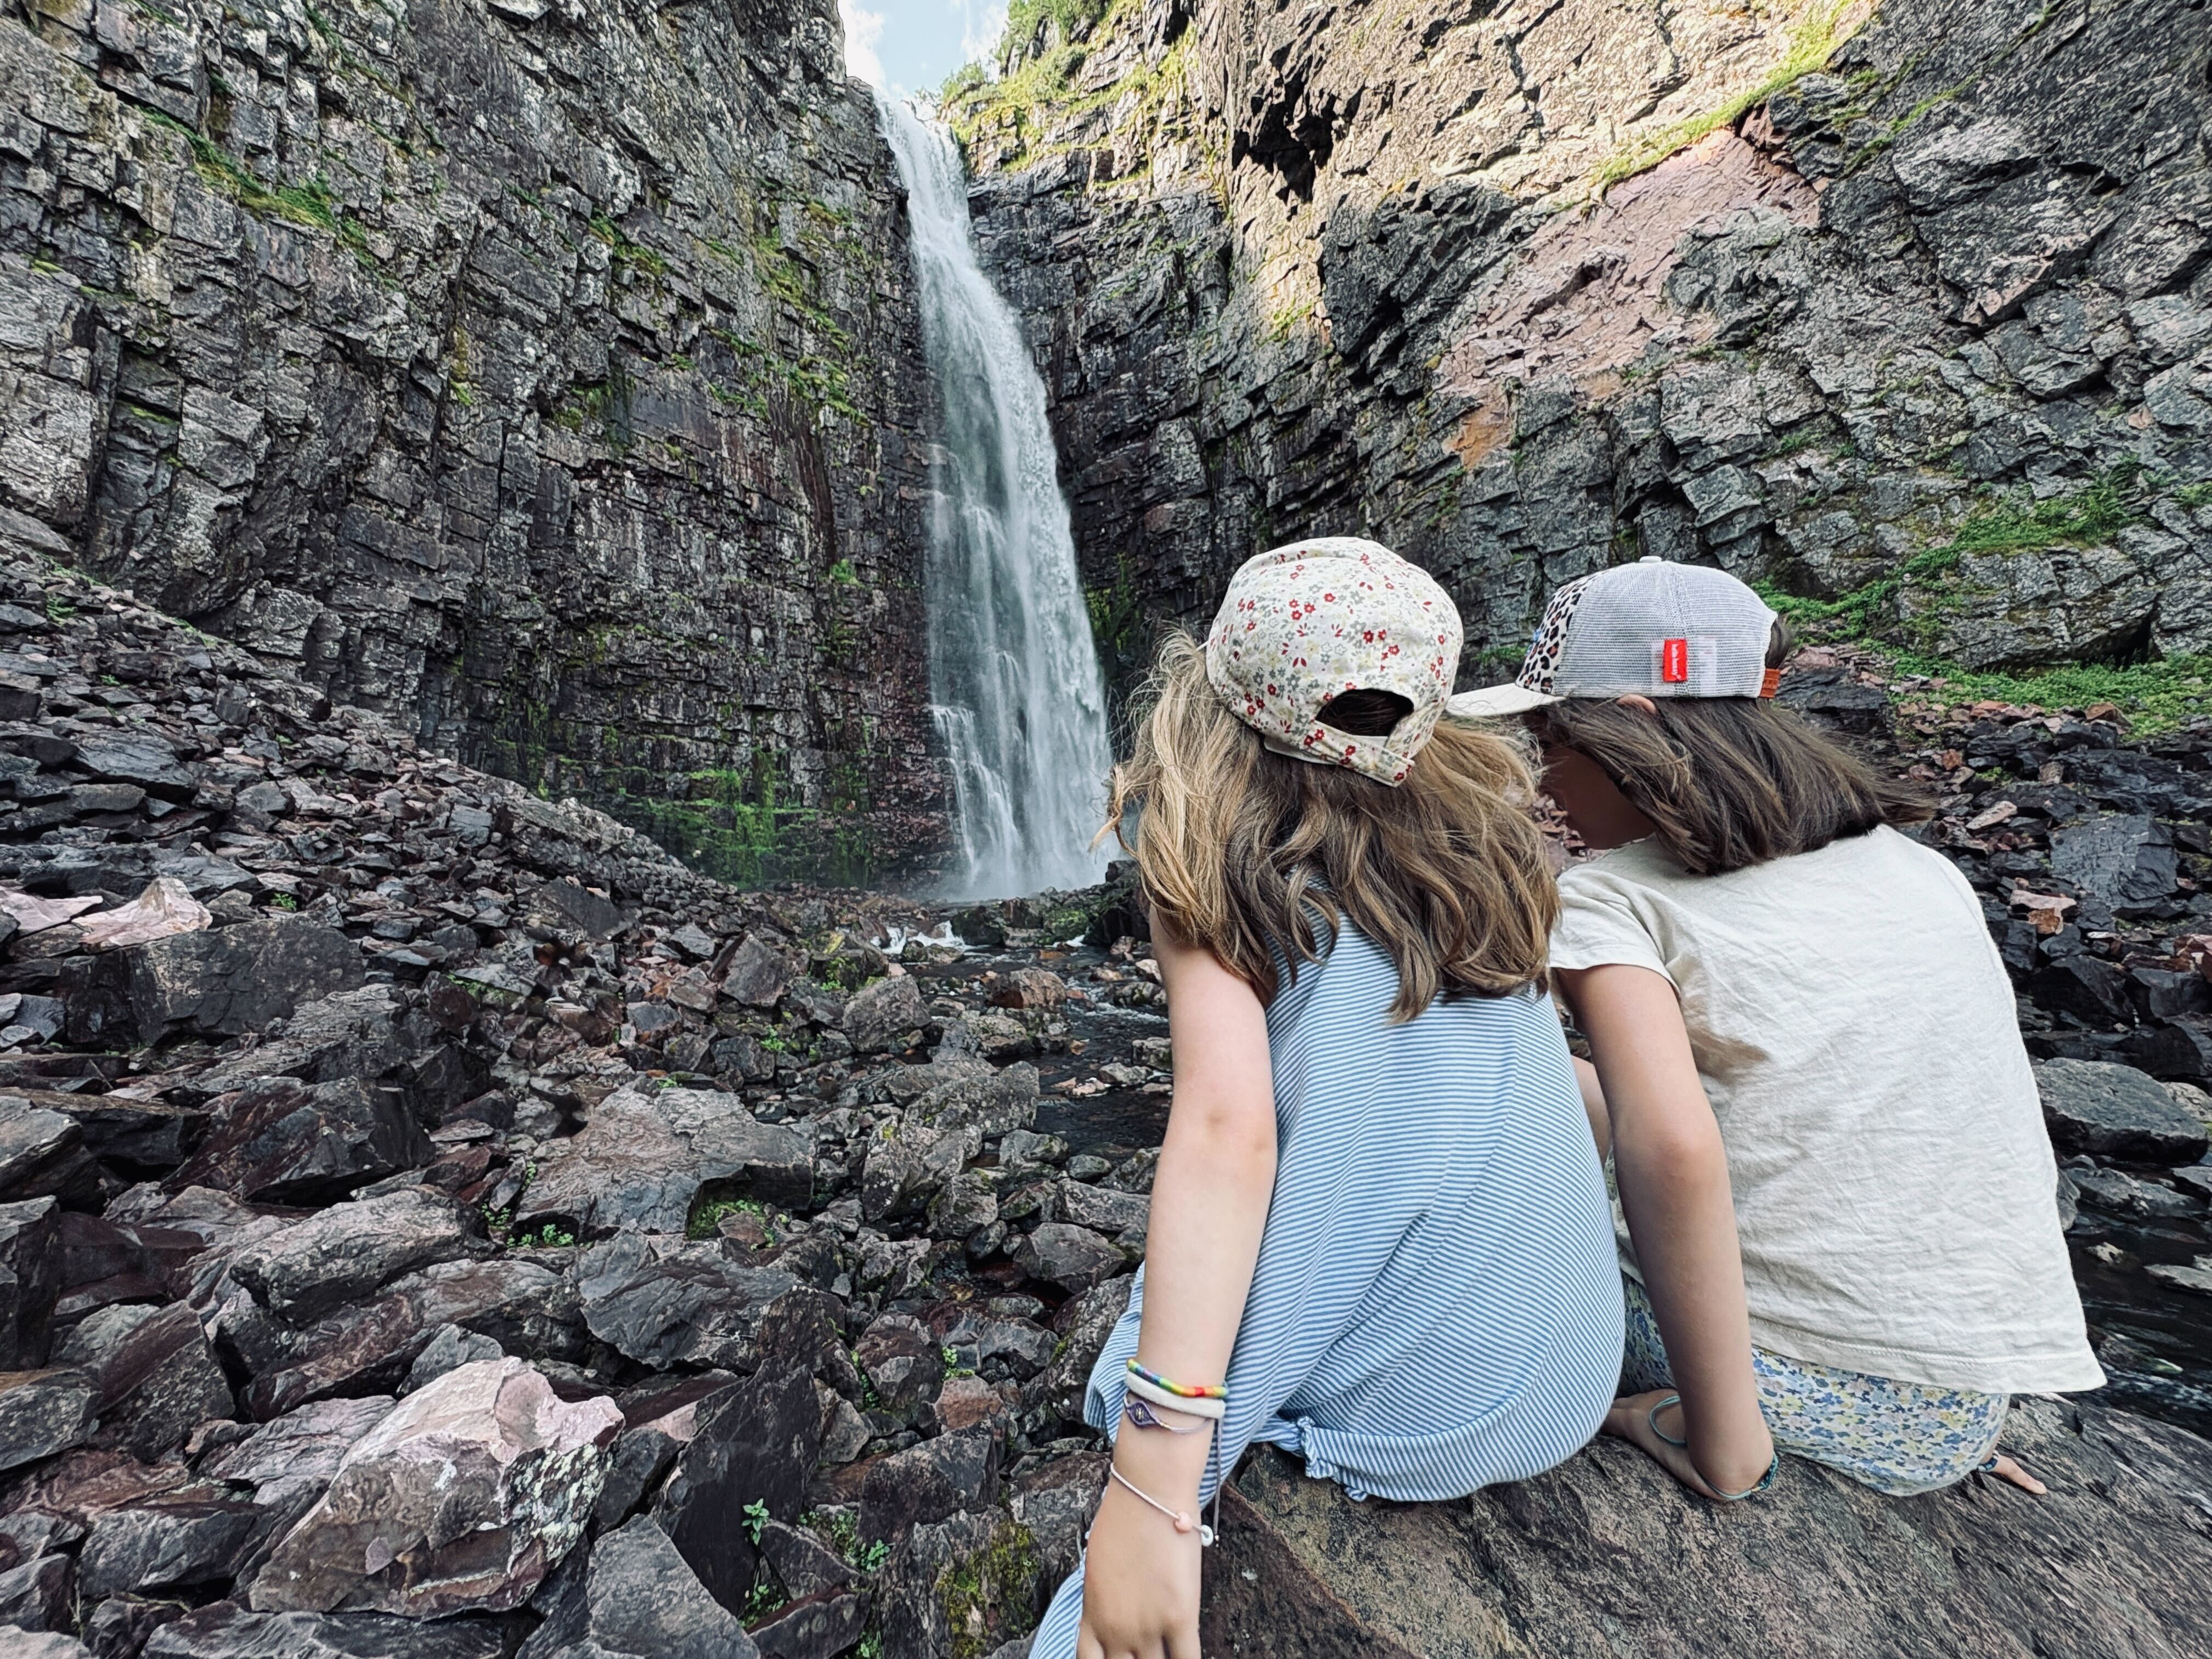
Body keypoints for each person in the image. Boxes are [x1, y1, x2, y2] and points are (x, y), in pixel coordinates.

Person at [1032, 538, 1622, 1659]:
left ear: (1212, 695)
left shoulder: (1204, 846)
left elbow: (1227, 1132)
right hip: (1564, 1371)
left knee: (1158, 1339)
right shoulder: (1483, 843)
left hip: (1417, 1411)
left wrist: (1152, 1486)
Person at [1447, 556, 2104, 1505]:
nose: (1541, 775)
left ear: (1631, 727)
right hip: (1959, 1401)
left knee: (1473, 1095)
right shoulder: (1916, 869)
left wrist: (1724, 1437)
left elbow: (1670, 1146)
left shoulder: (1611, 900)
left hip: (1781, 1383)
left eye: (1547, 735)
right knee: (1543, 1071)